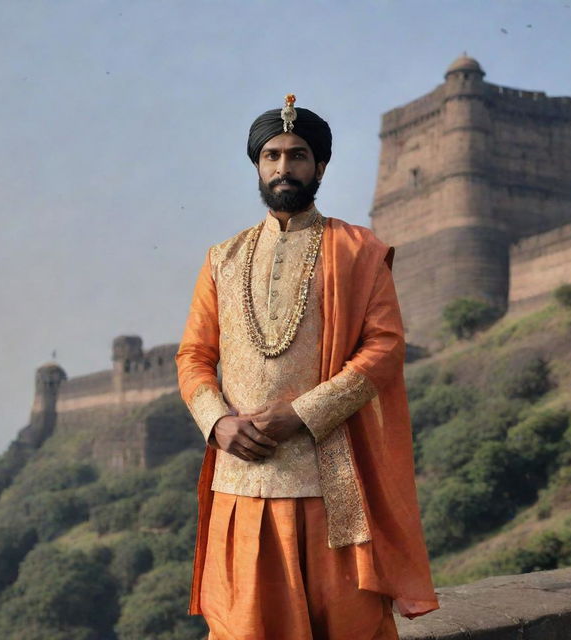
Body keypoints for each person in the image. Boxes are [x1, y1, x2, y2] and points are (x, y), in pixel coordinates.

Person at [176, 95, 438, 640]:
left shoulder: (358, 250)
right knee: (245, 626)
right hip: (241, 480)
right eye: (271, 155)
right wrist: (219, 423)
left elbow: (384, 349)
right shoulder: (221, 258)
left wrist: (302, 413)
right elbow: (194, 357)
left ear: (319, 166)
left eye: (297, 155)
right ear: (257, 165)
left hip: (329, 480)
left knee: (344, 623)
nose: (283, 167)